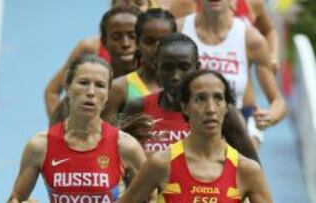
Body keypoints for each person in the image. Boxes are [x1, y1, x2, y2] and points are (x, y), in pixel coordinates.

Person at [7, 55, 148, 203]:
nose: (91, 92)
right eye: (83, 83)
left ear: (107, 94)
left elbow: (150, 198)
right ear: (67, 87)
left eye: (100, 85)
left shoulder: (126, 146)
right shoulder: (40, 146)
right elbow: (16, 197)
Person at [119, 69, 273, 203]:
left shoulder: (247, 170)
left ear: (227, 107)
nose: (211, 108)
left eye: (218, 98)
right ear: (185, 107)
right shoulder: (161, 163)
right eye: (200, 99)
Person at [124, 33, 258, 162]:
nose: (176, 76)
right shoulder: (138, 108)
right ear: (156, 68)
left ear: (197, 68)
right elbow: (120, 163)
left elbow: (253, 170)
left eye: (184, 67)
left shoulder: (222, 112)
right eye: (167, 68)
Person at [181, 0, 287, 149]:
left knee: (244, 168)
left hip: (239, 120)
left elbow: (279, 102)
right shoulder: (180, 29)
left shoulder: (252, 38)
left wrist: (267, 118)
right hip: (188, 121)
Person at [45, 5, 141, 118]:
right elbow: (52, 93)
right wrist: (60, 132)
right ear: (104, 41)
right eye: (116, 37)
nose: (126, 43)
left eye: (133, 36)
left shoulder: (156, 74)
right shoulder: (89, 51)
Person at [102, 8, 177, 120]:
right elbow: (107, 135)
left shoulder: (188, 86)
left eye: (164, 41)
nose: (156, 49)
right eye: (149, 42)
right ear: (137, 43)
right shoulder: (119, 89)